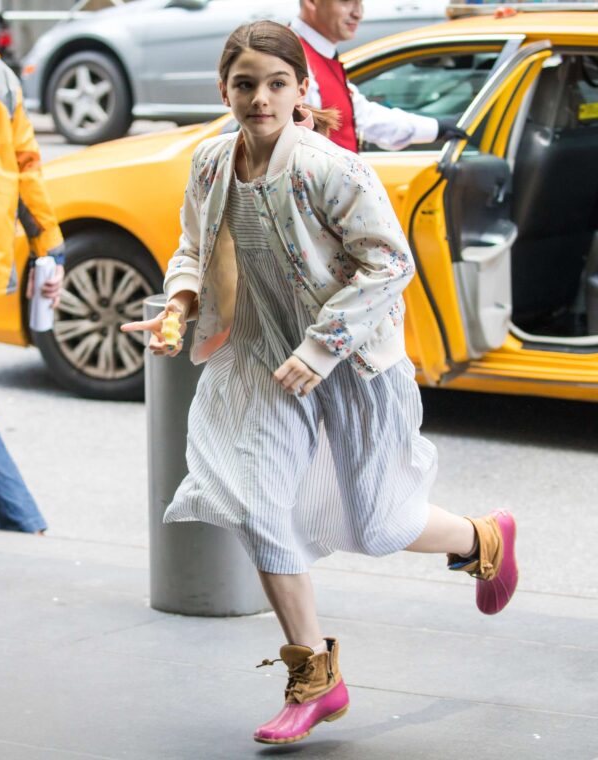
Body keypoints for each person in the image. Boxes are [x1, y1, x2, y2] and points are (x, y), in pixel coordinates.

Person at [121, 21, 517, 746]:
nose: (260, 98)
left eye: (276, 83)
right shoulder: (211, 164)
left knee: (382, 525)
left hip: (354, 367)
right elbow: (192, 245)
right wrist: (179, 304)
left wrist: (323, 347)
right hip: (263, 365)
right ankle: (315, 678)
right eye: (245, 84)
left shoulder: (331, 169)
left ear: (302, 90)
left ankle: (482, 538)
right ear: (224, 90)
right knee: (255, 503)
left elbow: (390, 263)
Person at [0, 48, 65, 534]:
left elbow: (23, 165)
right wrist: (48, 249)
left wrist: (49, 252)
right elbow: (27, 165)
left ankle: (19, 519)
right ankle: (20, 520)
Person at [291, 0, 467, 152]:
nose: (358, 13)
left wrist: (438, 128)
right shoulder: (292, 57)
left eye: (360, 2)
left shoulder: (316, 53)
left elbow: (363, 116)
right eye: (346, 1)